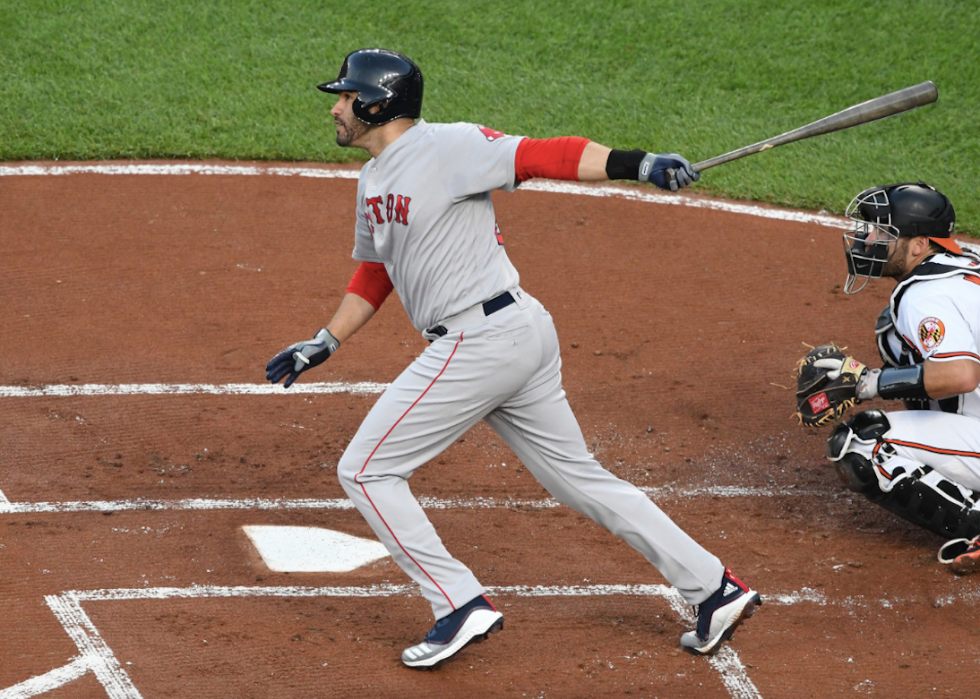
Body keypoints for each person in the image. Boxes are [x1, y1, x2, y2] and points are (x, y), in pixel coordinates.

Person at [265, 47, 761, 668]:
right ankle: (716, 587)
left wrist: (639, 164)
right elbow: (376, 268)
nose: (336, 108)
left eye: (344, 97)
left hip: (483, 340)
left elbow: (544, 154)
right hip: (511, 336)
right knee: (580, 480)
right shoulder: (373, 178)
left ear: (376, 102)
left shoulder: (448, 147)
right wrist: (327, 339)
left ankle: (459, 602)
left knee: (365, 471)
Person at [819, 181, 980, 574]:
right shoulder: (969, 261)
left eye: (882, 233)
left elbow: (961, 374)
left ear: (919, 244)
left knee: (862, 444)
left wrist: (869, 384)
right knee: (895, 336)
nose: (867, 239)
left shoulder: (924, 295)